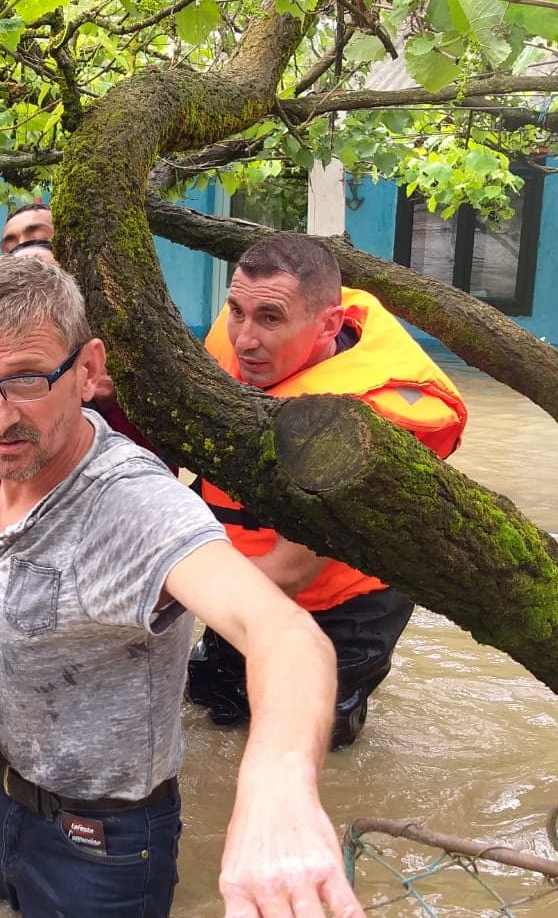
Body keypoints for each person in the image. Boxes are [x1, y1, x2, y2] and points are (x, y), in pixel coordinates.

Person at [0, 257, 379, 918]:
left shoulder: (136, 508)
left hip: (98, 838)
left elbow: (282, 633)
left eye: (30, 379)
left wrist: (276, 787)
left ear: (87, 369)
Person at [188, 234, 468, 748]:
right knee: (213, 703)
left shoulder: (367, 421)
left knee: (312, 741)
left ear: (330, 326)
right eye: (236, 311)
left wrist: (157, 588)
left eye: (270, 319)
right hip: (240, 573)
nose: (245, 339)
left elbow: (290, 574)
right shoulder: (241, 345)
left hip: (346, 608)